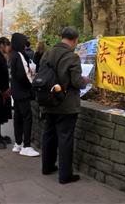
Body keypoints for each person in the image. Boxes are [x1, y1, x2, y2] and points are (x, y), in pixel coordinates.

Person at [40, 27, 89, 184]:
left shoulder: (47, 54)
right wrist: (85, 81)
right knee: (65, 138)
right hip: (66, 105)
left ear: (61, 37)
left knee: (49, 134)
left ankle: (47, 167)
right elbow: (76, 82)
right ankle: (65, 175)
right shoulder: (72, 57)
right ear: (74, 40)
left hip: (48, 101)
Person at [9, 33, 40, 157]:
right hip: (22, 92)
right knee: (27, 118)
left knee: (18, 118)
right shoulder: (19, 55)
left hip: (16, 92)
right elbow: (23, 75)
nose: (25, 43)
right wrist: (30, 85)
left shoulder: (13, 55)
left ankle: (18, 144)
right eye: (24, 41)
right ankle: (26, 146)